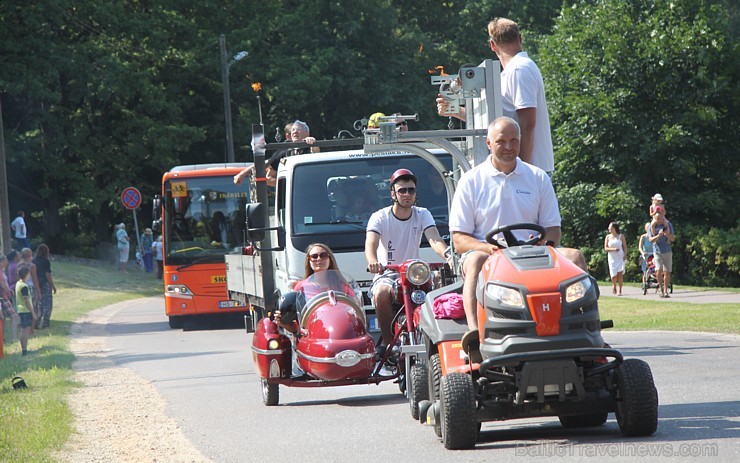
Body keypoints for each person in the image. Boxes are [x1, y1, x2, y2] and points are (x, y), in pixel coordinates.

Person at [449, 117, 586, 332]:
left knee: (575, 257)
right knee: (475, 260)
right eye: (501, 141)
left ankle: (582, 327)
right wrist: (488, 248)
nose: (508, 147)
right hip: (488, 253)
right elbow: (459, 240)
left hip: (532, 251)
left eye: (514, 140)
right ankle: (475, 333)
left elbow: (552, 229)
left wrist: (542, 245)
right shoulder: (471, 181)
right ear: (488, 143)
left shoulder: (537, 177)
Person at [436, 18, 554, 174]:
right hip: (518, 169)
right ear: (520, 38)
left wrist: (522, 171)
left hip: (529, 171)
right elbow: (497, 120)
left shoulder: (519, 69)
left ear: (492, 45)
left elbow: (528, 124)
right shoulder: (511, 72)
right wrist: (455, 110)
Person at [365, 168, 450, 348]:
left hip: (415, 274)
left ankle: (440, 338)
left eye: (411, 190)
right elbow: (370, 244)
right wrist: (373, 261)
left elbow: (435, 240)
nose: (407, 194)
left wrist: (449, 255)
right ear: (393, 194)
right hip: (387, 273)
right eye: (402, 190)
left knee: (441, 282)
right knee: (381, 293)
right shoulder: (379, 217)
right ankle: (390, 345)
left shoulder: (423, 214)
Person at [275, 243, 345, 334]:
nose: (319, 259)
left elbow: (354, 310)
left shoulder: (342, 286)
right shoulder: (302, 288)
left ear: (330, 259)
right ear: (309, 261)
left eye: (323, 255)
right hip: (312, 336)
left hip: (341, 332)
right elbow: (296, 327)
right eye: (314, 256)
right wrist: (283, 321)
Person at [648, 207, 675, 298]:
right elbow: (651, 240)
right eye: (657, 219)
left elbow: (673, 239)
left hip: (667, 250)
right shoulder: (652, 226)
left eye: (660, 218)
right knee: (658, 270)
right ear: (654, 218)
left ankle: (666, 290)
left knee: (667, 272)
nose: (659, 220)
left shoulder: (668, 225)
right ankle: (660, 288)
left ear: (663, 217)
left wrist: (667, 235)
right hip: (657, 251)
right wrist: (658, 236)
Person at [15, 264, 37, 356]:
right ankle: (24, 350)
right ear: (26, 274)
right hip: (25, 310)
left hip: (20, 309)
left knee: (24, 330)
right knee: (25, 331)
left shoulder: (18, 283)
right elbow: (26, 300)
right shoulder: (24, 286)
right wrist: (33, 312)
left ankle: (24, 349)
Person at [33, 244, 57, 329]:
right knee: (47, 304)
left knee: (38, 304)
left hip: (36, 283)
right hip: (45, 284)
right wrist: (53, 286)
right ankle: (45, 323)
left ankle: (36, 322)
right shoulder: (46, 261)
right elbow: (48, 275)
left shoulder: (34, 261)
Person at [604, 222, 628, 296]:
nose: (609, 229)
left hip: (620, 257)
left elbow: (625, 246)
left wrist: (625, 255)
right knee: (613, 275)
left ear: (614, 228)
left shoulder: (621, 236)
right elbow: (606, 248)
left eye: (610, 227)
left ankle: (620, 290)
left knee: (620, 274)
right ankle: (614, 285)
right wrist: (614, 249)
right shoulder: (608, 237)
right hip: (612, 257)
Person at [1, 253, 20, 343]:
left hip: (4, 296)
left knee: (3, 318)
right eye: (5, 261)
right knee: (14, 316)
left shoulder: (2, 271)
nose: (6, 263)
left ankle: (2, 337)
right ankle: (14, 337)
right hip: (3, 297)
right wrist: (9, 291)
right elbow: (2, 284)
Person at [20, 248, 41, 322]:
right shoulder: (32, 266)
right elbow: (35, 280)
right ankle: (32, 326)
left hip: (20, 287)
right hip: (30, 287)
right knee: (33, 307)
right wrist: (39, 292)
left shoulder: (19, 265)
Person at [638, 222, 654, 287]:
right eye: (647, 227)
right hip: (646, 255)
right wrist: (643, 252)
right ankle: (644, 284)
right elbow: (640, 247)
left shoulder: (654, 236)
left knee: (654, 269)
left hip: (654, 255)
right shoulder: (643, 237)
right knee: (645, 270)